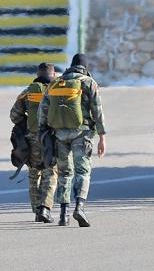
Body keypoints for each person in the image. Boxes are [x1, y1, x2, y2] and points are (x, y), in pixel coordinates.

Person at [38, 53, 106, 227]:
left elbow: (43, 110)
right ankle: (79, 207)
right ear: (85, 66)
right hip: (82, 134)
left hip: (59, 134)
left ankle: (63, 214)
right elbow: (97, 110)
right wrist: (102, 136)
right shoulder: (89, 82)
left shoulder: (55, 82)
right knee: (83, 171)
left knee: (64, 173)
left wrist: (43, 133)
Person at [9, 63, 58, 223]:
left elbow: (14, 115)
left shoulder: (28, 91)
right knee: (50, 172)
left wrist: (27, 122)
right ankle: (45, 208)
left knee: (33, 173)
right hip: (50, 137)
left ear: (38, 74)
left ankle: (37, 211)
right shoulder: (56, 90)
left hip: (31, 139)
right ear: (53, 74)